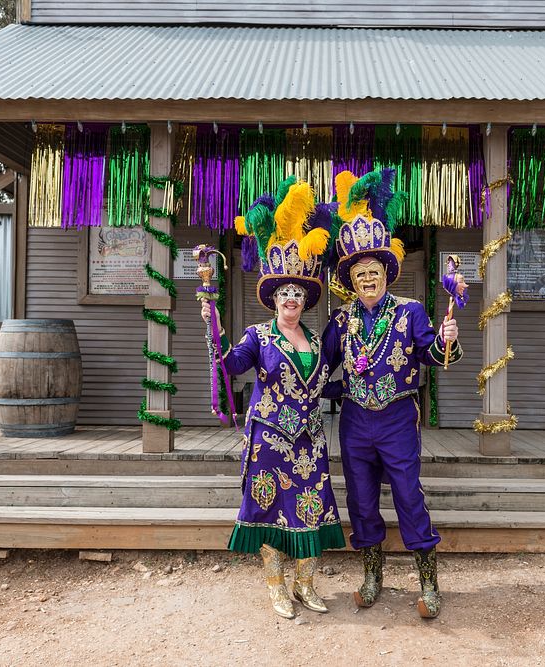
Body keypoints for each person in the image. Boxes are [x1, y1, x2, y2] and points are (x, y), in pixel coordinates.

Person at [321, 169, 462, 619]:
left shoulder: (411, 311)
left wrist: (448, 339)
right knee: (361, 499)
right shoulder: (341, 320)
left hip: (398, 418)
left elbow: (434, 355)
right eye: (359, 273)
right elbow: (320, 365)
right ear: (351, 278)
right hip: (356, 421)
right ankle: (372, 576)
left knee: (407, 495)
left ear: (387, 272)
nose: (367, 278)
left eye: (374, 271)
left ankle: (428, 582)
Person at [201, 177, 344, 619]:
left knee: (311, 509)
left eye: (298, 294)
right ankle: (276, 587)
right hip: (268, 439)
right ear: (273, 299)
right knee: (268, 511)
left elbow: (329, 382)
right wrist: (216, 332)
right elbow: (233, 365)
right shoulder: (258, 337)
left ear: (305, 300)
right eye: (285, 294)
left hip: (309, 439)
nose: (291, 301)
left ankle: (305, 584)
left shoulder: (318, 340)